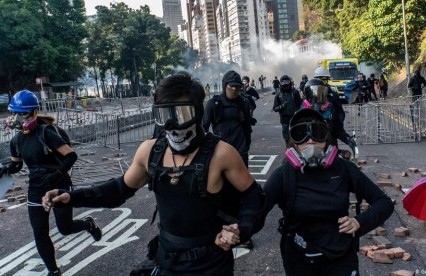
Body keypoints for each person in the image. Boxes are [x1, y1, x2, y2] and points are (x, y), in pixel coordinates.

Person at [42, 73, 265, 275]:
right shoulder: (150, 151)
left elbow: (254, 195)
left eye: (180, 113)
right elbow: (119, 190)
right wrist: (72, 197)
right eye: (163, 114)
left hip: (211, 263)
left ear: (197, 112)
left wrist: (241, 230)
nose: (171, 124)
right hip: (167, 259)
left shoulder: (222, 153)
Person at [261, 108, 394, 275]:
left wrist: (359, 222)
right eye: (301, 133)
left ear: (326, 138)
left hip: (340, 257)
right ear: (293, 142)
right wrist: (235, 230)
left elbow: (384, 203)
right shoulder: (284, 175)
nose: (310, 140)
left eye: (317, 132)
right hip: (299, 259)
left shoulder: (344, 169)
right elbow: (257, 210)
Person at [1, 90, 102, 276]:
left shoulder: (46, 132)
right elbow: (16, 165)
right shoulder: (16, 140)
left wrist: (57, 174)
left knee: (65, 228)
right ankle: (53, 271)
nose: (16, 118)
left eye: (22, 113)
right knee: (40, 232)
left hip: (59, 185)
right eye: (14, 113)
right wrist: (5, 169)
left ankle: (88, 224)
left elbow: (71, 156)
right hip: (35, 190)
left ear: (34, 113)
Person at [203, 70, 254, 167]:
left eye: (237, 86)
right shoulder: (213, 103)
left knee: (242, 181)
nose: (234, 89)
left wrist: (247, 145)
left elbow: (247, 128)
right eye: (231, 86)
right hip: (220, 150)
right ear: (225, 85)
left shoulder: (243, 103)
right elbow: (203, 128)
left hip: (240, 150)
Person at [304, 78, 356, 155]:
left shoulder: (329, 110)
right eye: (314, 92)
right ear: (308, 94)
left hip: (330, 147)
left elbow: (338, 129)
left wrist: (347, 139)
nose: (316, 96)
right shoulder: (302, 112)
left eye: (320, 92)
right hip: (309, 150)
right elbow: (295, 134)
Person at [273, 75, 302, 148]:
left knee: (297, 133)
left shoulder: (294, 92)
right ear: (281, 83)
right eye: (284, 82)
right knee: (286, 136)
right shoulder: (278, 95)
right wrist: (281, 106)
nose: (286, 83)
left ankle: (297, 149)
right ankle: (288, 149)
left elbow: (300, 104)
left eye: (287, 81)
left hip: (294, 117)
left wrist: (298, 111)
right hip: (284, 118)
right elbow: (275, 108)